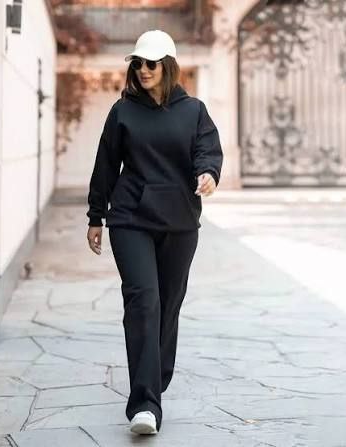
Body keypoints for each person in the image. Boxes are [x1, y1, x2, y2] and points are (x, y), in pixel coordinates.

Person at [86, 29, 223, 435]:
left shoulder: (194, 110)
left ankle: (154, 379)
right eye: (138, 63)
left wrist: (208, 173)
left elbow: (207, 150)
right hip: (130, 219)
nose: (143, 70)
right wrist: (96, 215)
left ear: (168, 66)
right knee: (143, 301)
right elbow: (106, 164)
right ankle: (145, 404)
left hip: (179, 223)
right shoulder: (123, 111)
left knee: (168, 304)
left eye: (151, 63)